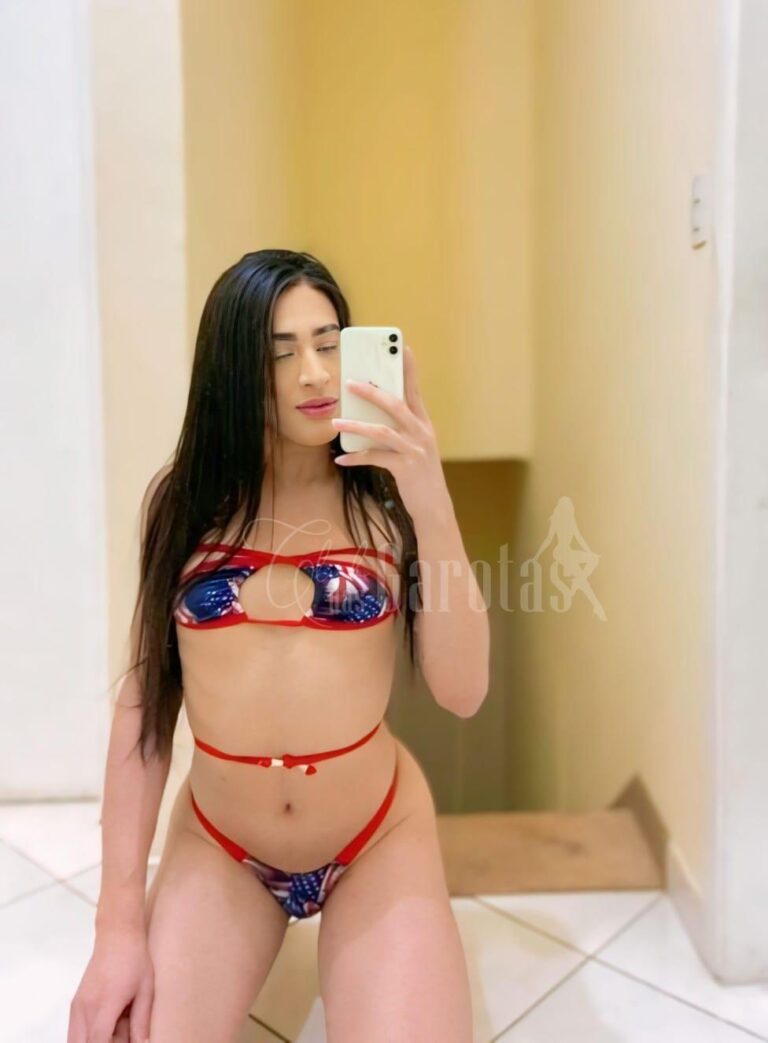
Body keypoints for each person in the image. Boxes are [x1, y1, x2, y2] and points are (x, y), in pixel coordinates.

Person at [68, 249, 489, 1043]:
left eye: (328, 343)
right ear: (234, 370)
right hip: (223, 842)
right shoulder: (183, 503)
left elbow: (463, 690)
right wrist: (116, 926)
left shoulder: (387, 497)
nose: (314, 373)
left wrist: (431, 497)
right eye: (280, 353)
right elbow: (145, 708)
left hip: (375, 834)